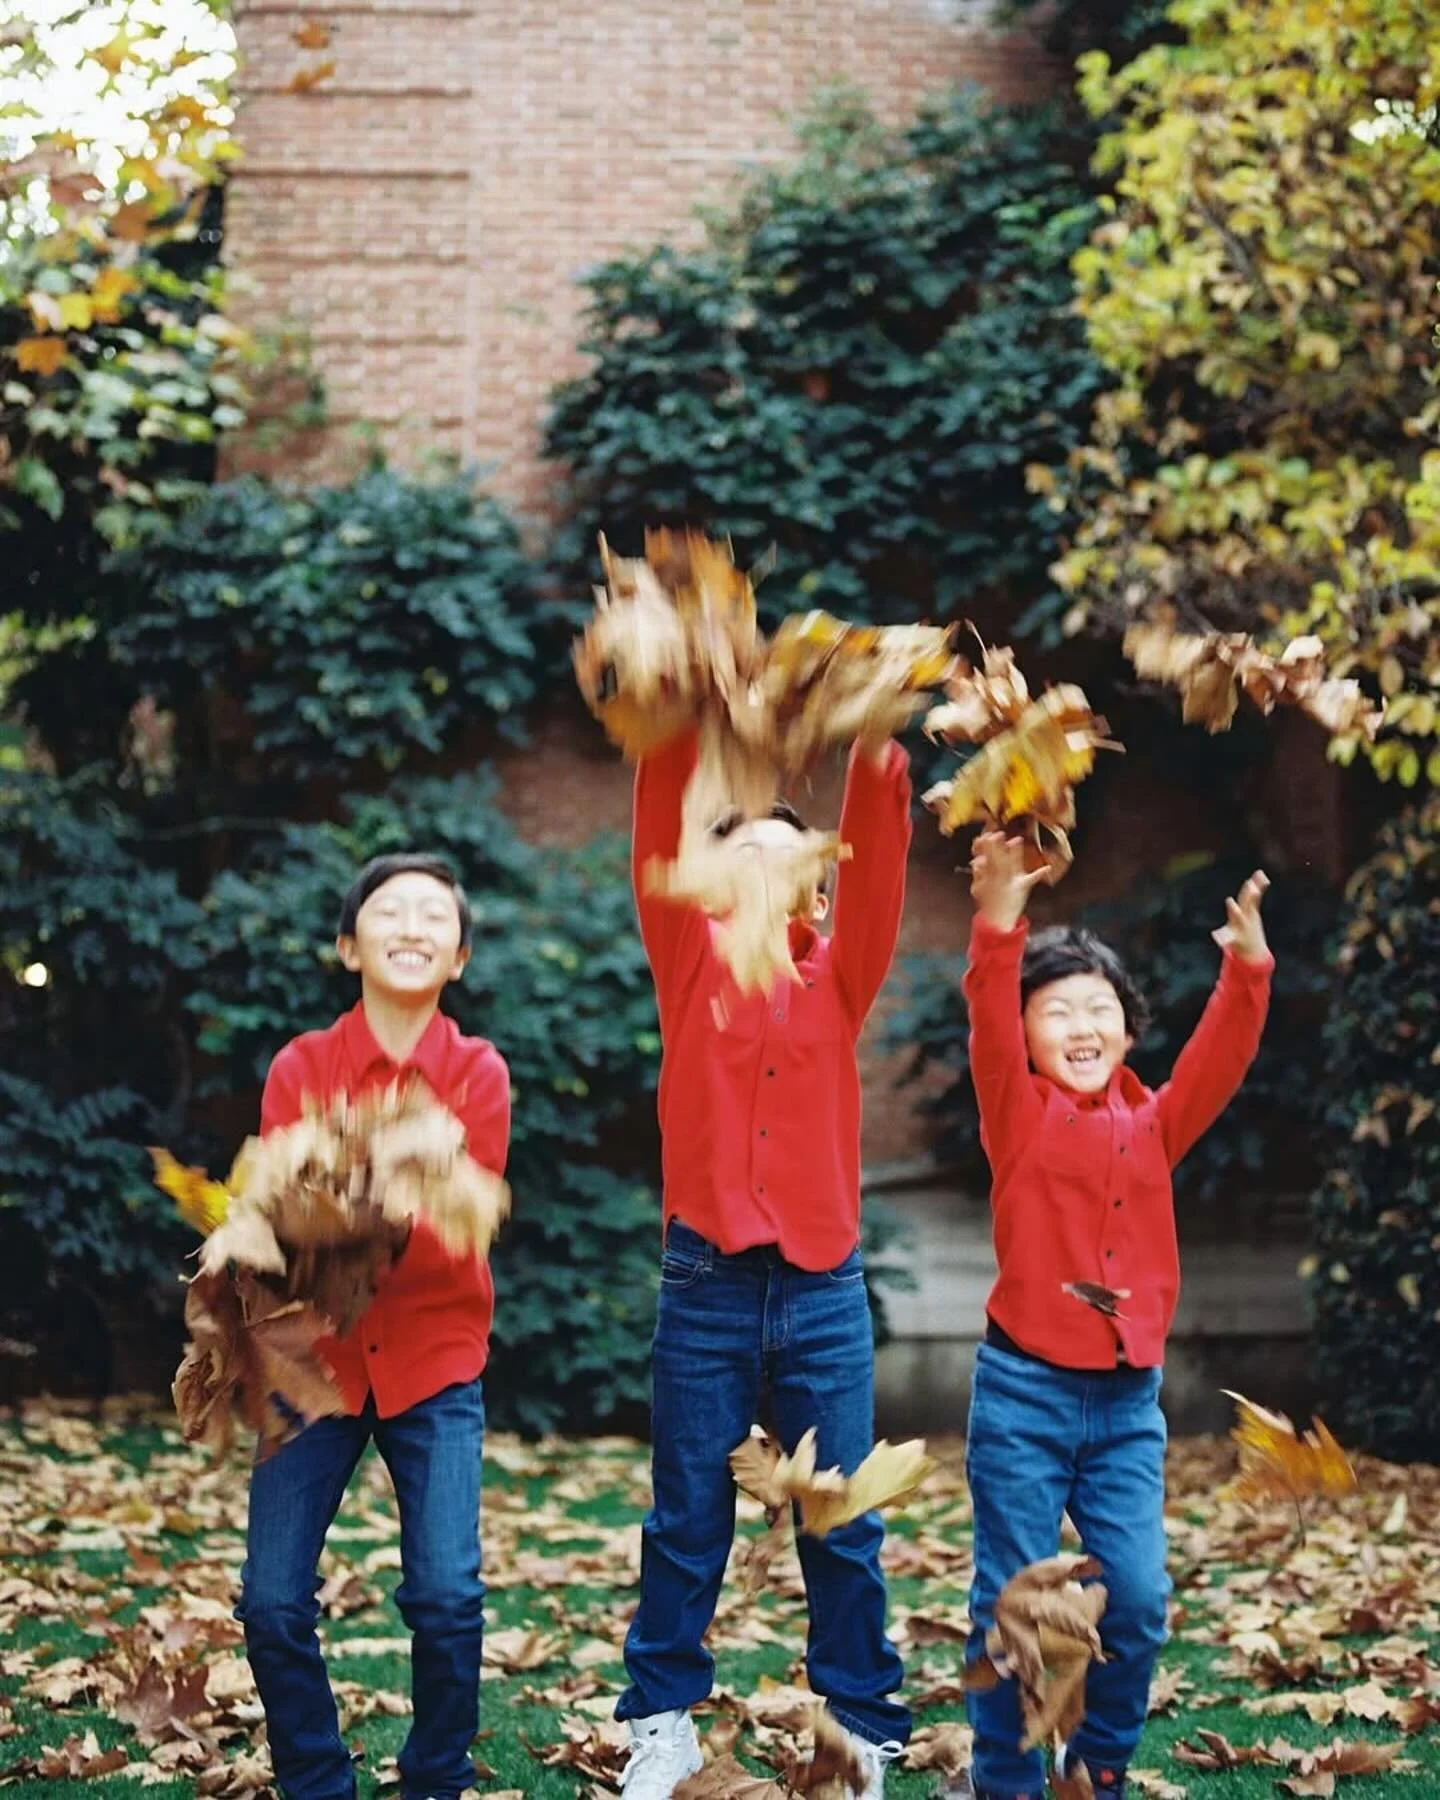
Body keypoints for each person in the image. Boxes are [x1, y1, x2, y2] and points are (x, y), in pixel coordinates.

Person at [614, 727, 914, 1800]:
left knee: (841, 1520)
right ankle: (659, 1722)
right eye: (737, 847)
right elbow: (660, 813)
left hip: (824, 1290)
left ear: (814, 889)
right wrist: (685, 710)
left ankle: (864, 1726)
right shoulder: (686, 956)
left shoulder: (842, 975)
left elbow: (879, 859)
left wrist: (873, 742)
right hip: (705, 1285)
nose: (760, 861)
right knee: (687, 1516)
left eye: (786, 850)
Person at [951, 833, 1273, 1800]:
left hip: (1127, 1407)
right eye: (1057, 1011)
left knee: (1135, 1601)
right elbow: (988, 1018)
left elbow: (1222, 1054)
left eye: (1101, 1010)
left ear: (1129, 1033)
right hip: (1022, 1394)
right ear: (1029, 1033)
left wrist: (1247, 965)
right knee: (1012, 1608)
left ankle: (1097, 1769)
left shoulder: (1155, 1125)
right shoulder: (1016, 1111)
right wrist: (1000, 922)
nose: (1082, 1025)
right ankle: (1002, 1780)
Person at [235, 854, 510, 1800]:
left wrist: (361, 1183)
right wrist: (360, 1183)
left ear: (460, 958)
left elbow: (451, 1228)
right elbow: (283, 1223)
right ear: (349, 945)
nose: (413, 925)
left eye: (435, 915)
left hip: (435, 1363)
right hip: (313, 1365)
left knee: (445, 1598)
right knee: (270, 1603)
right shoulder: (300, 1069)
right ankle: (318, 1782)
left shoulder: (479, 1074)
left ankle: (435, 1777)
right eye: (390, 911)